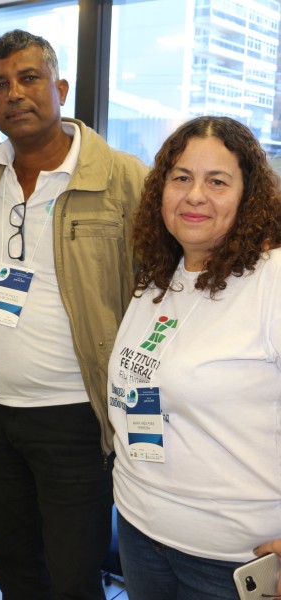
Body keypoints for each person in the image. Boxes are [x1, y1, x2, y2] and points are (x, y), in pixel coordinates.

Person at [0, 30, 148, 599]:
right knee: (10, 559)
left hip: (73, 420)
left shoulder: (123, 178)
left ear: (59, 88)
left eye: (29, 78)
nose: (16, 93)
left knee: (73, 574)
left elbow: (161, 284)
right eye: (0, 84)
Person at [107, 116, 281, 600]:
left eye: (217, 181)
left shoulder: (272, 281)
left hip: (233, 558)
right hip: (141, 533)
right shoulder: (162, 275)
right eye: (181, 177)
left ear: (249, 197)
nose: (195, 195)